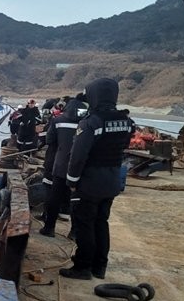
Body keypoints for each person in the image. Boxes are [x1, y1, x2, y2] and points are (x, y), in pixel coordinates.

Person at [61, 78, 135, 280]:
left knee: (84, 223)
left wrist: (71, 181)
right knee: (101, 223)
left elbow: (78, 156)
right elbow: (122, 147)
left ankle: (82, 267)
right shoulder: (126, 122)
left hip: (89, 182)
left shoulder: (91, 122)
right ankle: (99, 266)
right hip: (112, 181)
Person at [39, 94, 88, 237]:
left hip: (60, 165)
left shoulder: (58, 120)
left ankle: (49, 228)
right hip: (80, 168)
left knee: (54, 197)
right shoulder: (87, 123)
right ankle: (73, 232)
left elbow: (49, 140)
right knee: (77, 200)